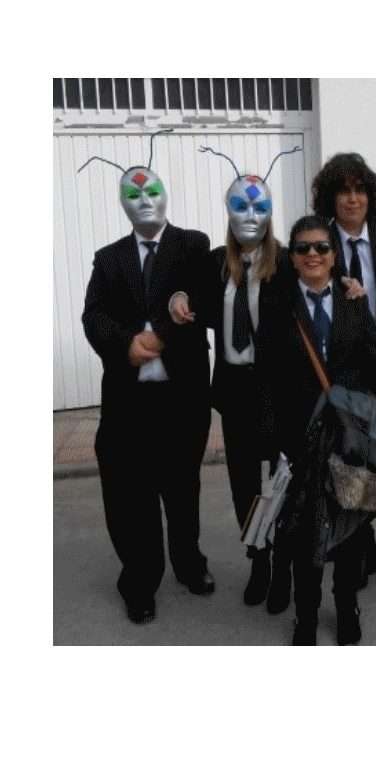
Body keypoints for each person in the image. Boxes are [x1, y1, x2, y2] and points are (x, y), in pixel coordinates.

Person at [81, 136, 214, 625]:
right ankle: (139, 580)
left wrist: (159, 334)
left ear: (165, 195)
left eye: (151, 191)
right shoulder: (108, 258)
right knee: (132, 497)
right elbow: (93, 315)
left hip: (183, 397)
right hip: (128, 401)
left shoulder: (192, 245)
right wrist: (125, 344)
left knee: (183, 489)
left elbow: (202, 297)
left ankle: (189, 563)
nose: (144, 201)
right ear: (122, 204)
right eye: (133, 195)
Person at [259, 215, 376, 645]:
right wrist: (274, 441)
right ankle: (306, 616)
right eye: (303, 249)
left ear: (334, 255)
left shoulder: (353, 300)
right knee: (304, 534)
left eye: (321, 247)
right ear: (293, 258)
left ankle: (347, 605)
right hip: (301, 438)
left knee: (350, 529)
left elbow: (375, 361)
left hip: (348, 438)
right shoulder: (279, 305)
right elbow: (267, 376)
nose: (312, 255)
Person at [169, 160, 288, 610]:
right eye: (240, 205)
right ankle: (258, 559)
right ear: (228, 211)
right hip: (235, 390)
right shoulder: (216, 263)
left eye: (259, 206)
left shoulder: (286, 263)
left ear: (270, 212)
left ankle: (282, 567)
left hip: (275, 389)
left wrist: (350, 289)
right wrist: (179, 297)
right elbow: (190, 294)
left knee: (278, 481)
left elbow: (317, 292)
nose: (250, 215)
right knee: (244, 484)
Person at [311, 152, 376, 590]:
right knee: (349, 456)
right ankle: (363, 541)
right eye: (343, 191)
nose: (352, 199)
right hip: (342, 371)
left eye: (359, 190)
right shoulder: (320, 241)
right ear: (330, 198)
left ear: (370, 196)